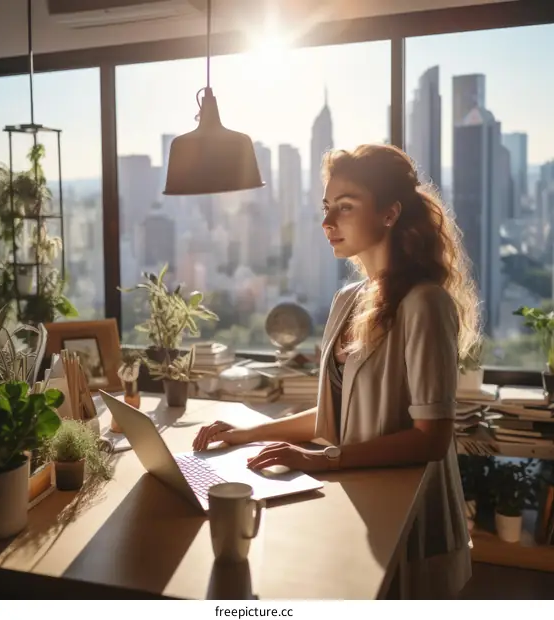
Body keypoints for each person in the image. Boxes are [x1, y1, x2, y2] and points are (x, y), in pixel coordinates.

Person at [192, 144, 481, 599]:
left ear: (390, 213)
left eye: (345, 208)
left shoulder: (425, 303)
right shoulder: (348, 300)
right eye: (327, 208)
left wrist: (319, 459)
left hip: (410, 517)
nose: (328, 223)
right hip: (356, 497)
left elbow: (432, 437)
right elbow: (335, 417)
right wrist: (247, 433)